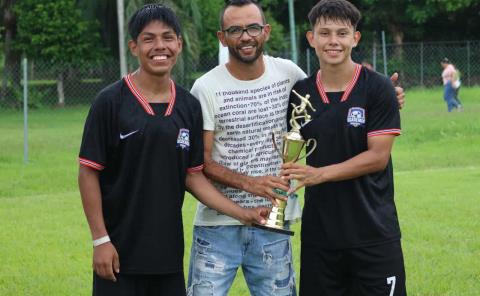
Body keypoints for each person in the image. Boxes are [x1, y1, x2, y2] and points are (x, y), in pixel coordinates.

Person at [187, 1, 405, 295]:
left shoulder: (295, 76)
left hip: (335, 230)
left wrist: (387, 97)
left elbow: (371, 146)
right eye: (235, 30)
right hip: (253, 229)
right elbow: (199, 162)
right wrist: (255, 184)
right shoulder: (213, 86)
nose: (246, 36)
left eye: (252, 27)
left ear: (265, 31)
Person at [78, 4, 268, 296]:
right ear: (134, 46)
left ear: (179, 43)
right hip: (117, 253)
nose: (160, 46)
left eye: (168, 37)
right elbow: (88, 172)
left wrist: (244, 213)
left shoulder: (188, 106)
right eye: (149, 38)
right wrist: (100, 240)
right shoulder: (110, 102)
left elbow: (192, 177)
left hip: (167, 257)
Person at [281, 0, 406, 295]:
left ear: (355, 38)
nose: (333, 41)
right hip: (320, 239)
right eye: (324, 33)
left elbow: (377, 157)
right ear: (311, 39)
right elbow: (291, 153)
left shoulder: (378, 88)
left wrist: (319, 174)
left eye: (342, 33)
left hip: (374, 234)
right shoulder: (301, 92)